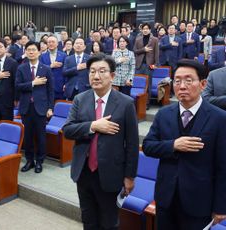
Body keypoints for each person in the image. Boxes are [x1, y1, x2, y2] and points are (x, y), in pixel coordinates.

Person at [142, 59, 226, 230]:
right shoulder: (164, 114)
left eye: (189, 80)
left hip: (199, 202)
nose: (182, 86)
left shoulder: (219, 118)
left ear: (202, 84)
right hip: (166, 198)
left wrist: (220, 207)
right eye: (177, 80)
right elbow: (148, 146)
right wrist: (173, 145)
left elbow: (223, 167)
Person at [62, 53, 139, 229]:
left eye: (102, 71)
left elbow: (133, 145)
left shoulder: (126, 103)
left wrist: (129, 177)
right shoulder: (80, 99)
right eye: (92, 71)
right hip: (84, 171)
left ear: (112, 76)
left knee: (109, 222)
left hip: (111, 173)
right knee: (88, 220)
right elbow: (67, 130)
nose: (96, 76)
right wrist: (93, 126)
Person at [16, 41, 54, 173]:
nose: (31, 52)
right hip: (26, 107)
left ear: (39, 52)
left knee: (41, 136)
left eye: (33, 50)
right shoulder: (21, 68)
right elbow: (18, 86)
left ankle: (39, 161)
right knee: (27, 136)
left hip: (41, 107)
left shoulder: (46, 69)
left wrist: (50, 108)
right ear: (25, 52)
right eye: (28, 50)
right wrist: (33, 83)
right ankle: (29, 160)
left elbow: (50, 90)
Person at [40, 35, 67, 100]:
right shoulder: (42, 56)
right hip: (46, 87)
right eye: (49, 42)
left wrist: (66, 83)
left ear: (57, 43)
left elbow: (66, 71)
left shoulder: (63, 55)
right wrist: (51, 66)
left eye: (53, 42)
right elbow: (40, 71)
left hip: (60, 87)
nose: (51, 44)